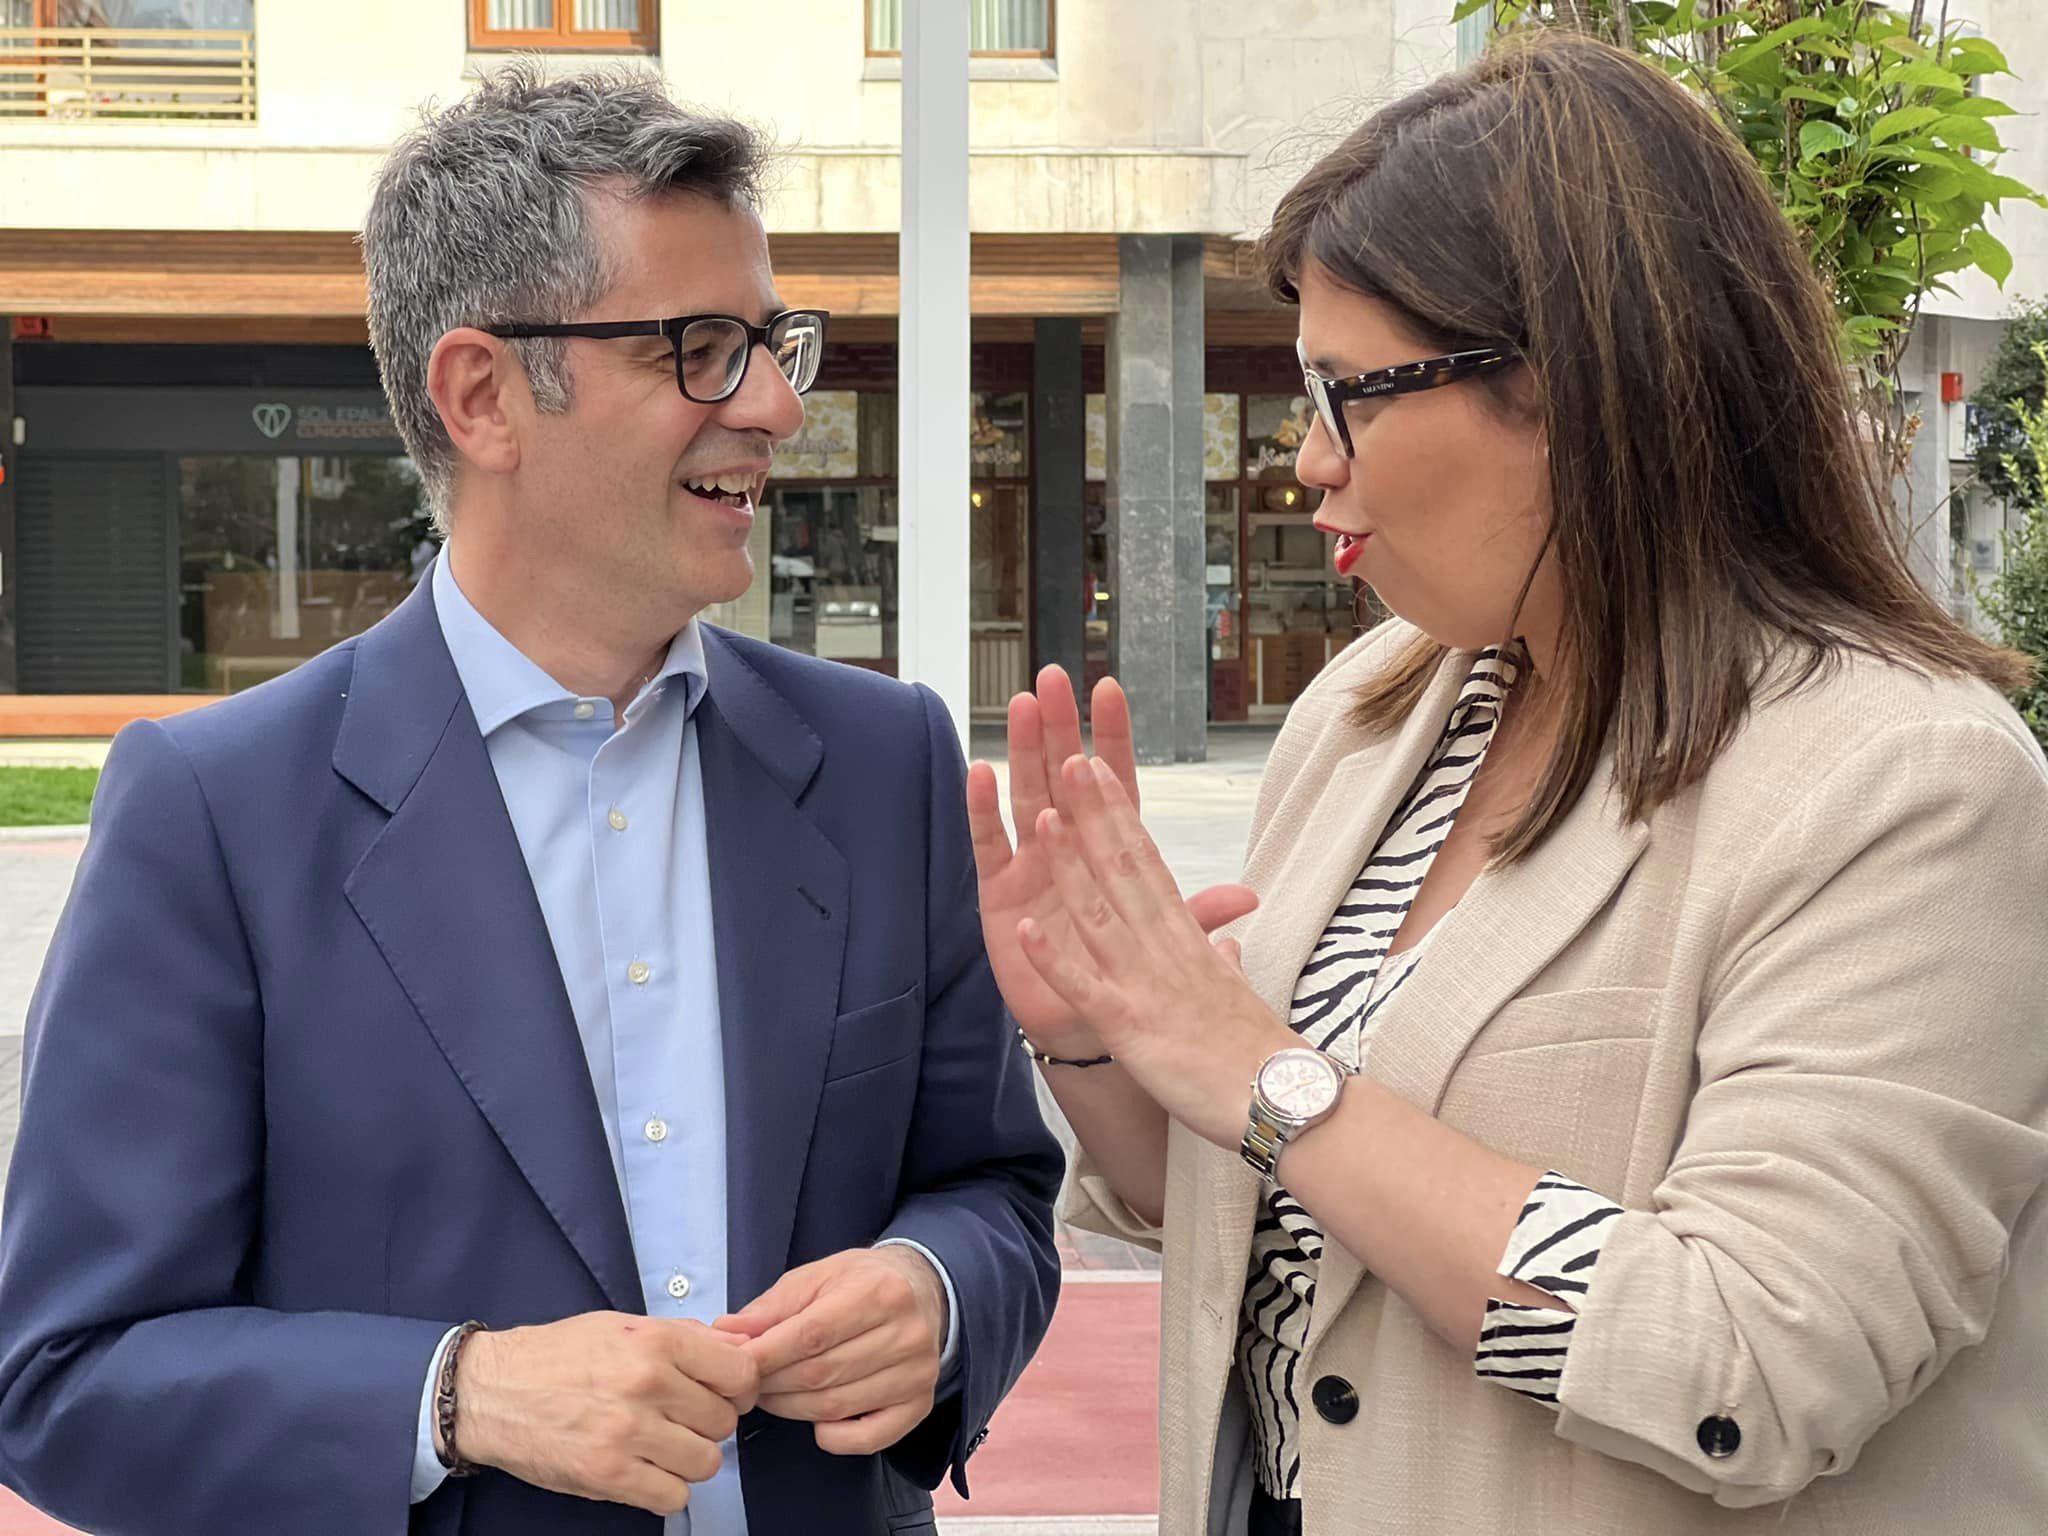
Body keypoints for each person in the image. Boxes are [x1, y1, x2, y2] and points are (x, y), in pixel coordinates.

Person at [968, 32, 2048, 1536]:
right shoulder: (1371, 712)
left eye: (1348, 393)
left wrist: (1263, 1071)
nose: (1307, 463)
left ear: (1572, 385)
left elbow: (1757, 1363)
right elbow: (1269, 1215)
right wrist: (1104, 1041)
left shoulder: (1902, 782)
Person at [0, 66, 1060, 1536]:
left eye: (771, 341)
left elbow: (994, 1190)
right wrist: (457, 1394)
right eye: (698, 348)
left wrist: (938, 1293)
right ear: (485, 396)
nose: (774, 404)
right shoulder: (218, 813)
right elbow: (65, 1376)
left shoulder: (882, 763)